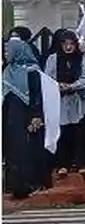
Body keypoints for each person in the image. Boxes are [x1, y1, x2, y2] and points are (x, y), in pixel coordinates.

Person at [2, 39, 52, 199]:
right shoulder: (7, 70)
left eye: (8, 51)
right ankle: (14, 185)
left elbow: (38, 95)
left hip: (27, 116)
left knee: (27, 151)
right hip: (11, 116)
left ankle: (30, 184)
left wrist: (36, 116)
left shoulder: (32, 71)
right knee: (13, 151)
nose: (5, 54)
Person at [45, 30, 85, 175]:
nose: (68, 47)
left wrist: (72, 86)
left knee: (81, 131)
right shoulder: (53, 58)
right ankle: (63, 163)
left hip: (78, 99)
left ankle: (82, 162)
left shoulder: (83, 57)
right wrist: (59, 86)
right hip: (60, 100)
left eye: (71, 44)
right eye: (65, 44)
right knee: (63, 132)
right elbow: (48, 77)